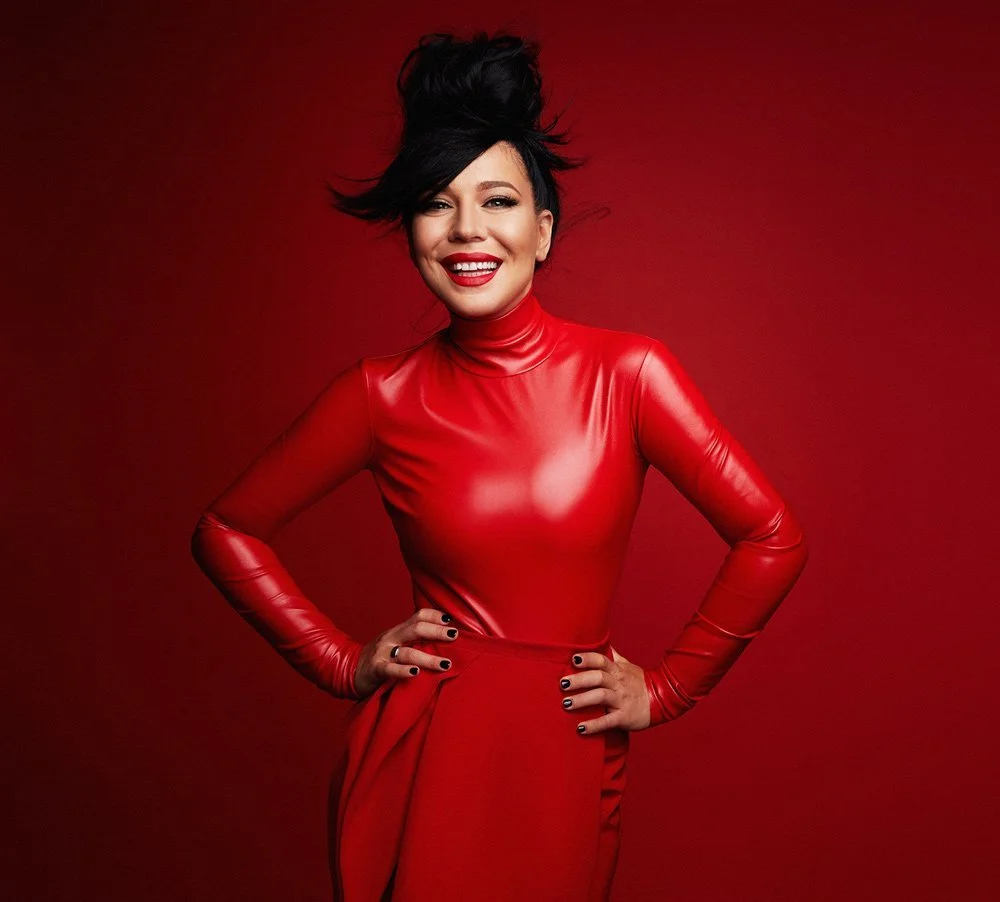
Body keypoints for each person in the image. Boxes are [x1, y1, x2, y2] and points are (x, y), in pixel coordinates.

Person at [190, 30, 809, 902]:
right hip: (428, 750)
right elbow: (227, 529)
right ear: (412, 234)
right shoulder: (380, 394)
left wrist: (667, 689)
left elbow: (772, 537)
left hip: (569, 749)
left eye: (498, 200)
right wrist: (339, 661)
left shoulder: (630, 374)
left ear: (542, 230)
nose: (467, 230)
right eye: (436, 204)